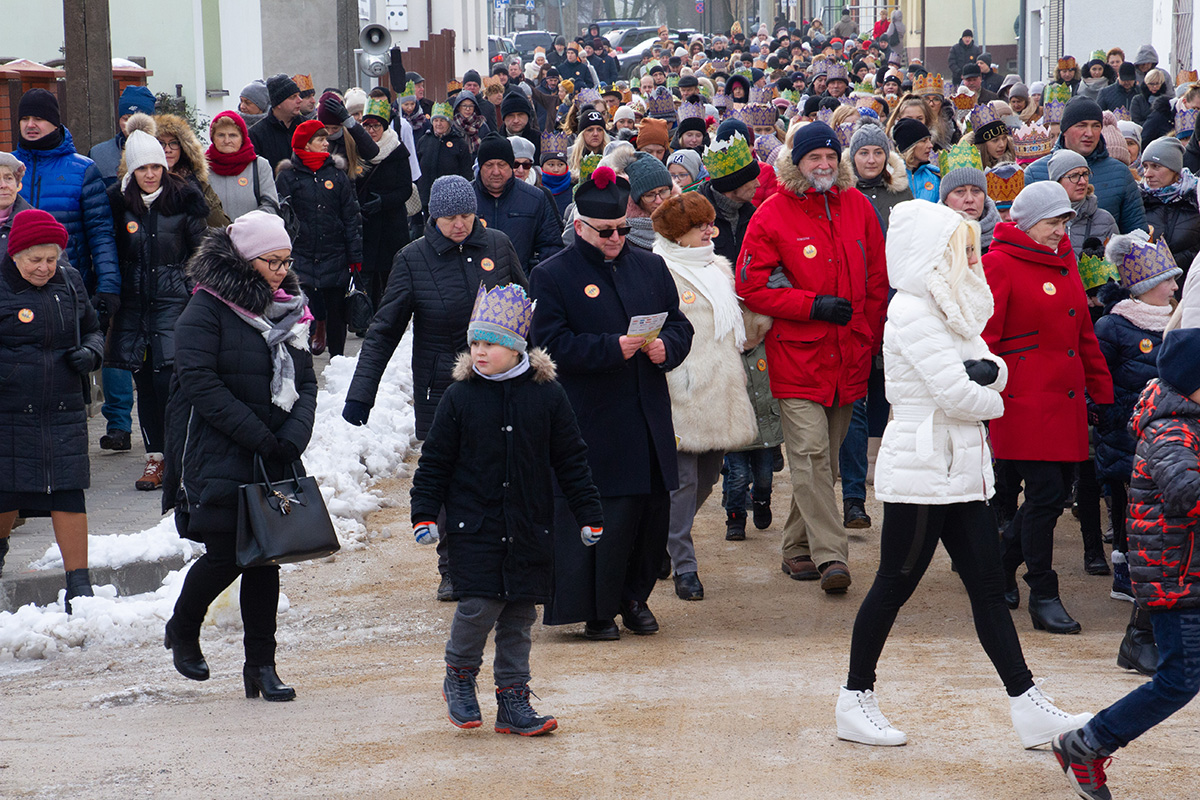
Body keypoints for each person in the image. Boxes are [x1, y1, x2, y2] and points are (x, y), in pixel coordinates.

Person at [835, 200, 1093, 749]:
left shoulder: (950, 306)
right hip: (923, 464)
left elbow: (992, 365)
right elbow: (958, 393)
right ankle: (855, 699)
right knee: (894, 583)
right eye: (964, 249)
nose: (973, 258)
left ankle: (1027, 703)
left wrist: (987, 378)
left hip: (961, 468)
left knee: (987, 587)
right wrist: (993, 396)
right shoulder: (912, 311)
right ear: (935, 253)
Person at [411, 283, 603, 735]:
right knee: (478, 605)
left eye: (491, 343)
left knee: (519, 614)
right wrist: (424, 512)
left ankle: (513, 698)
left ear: (516, 347)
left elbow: (571, 459)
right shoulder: (460, 397)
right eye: (475, 342)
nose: (479, 351)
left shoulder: (547, 395)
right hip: (474, 525)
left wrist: (588, 512)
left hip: (529, 523)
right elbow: (435, 461)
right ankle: (459, 675)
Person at [529, 166, 694, 640]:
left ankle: (634, 598)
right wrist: (608, 348)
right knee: (603, 517)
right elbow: (547, 344)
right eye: (605, 232)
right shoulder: (552, 274)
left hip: (646, 415)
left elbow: (679, 325)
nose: (616, 239)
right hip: (593, 419)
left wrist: (668, 348)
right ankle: (596, 609)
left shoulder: (650, 266)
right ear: (581, 226)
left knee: (650, 514)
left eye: (622, 229)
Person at [344, 175, 525, 601]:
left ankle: (507, 560)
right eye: (449, 218)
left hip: (500, 382)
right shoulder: (412, 259)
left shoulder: (498, 246)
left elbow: (525, 309)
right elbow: (384, 330)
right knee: (451, 478)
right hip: (441, 387)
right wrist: (361, 393)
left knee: (504, 472)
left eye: (466, 216)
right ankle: (453, 566)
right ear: (433, 217)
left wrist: (537, 371)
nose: (459, 225)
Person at [162, 210, 317, 701]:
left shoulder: (289, 308)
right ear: (246, 259)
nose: (281, 272)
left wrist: (293, 437)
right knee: (226, 554)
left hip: (274, 452)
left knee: (266, 559)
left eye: (287, 261)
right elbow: (198, 382)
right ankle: (183, 626)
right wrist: (259, 436)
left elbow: (306, 381)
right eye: (272, 262)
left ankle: (261, 667)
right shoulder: (207, 307)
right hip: (219, 452)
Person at [736, 122, 888, 593]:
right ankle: (832, 556)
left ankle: (795, 547)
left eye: (829, 157)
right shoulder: (771, 214)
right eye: (813, 158)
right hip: (797, 357)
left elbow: (877, 280)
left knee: (824, 463)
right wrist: (811, 305)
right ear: (796, 162)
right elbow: (750, 287)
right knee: (810, 453)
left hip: (849, 356)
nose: (823, 165)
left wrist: (870, 337)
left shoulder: (858, 206)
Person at [1052, 328, 1200, 800]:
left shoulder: (1189, 421)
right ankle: (1086, 744)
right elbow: (1187, 493)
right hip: (1177, 578)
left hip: (1186, 571)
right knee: (1178, 680)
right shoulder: (1171, 429)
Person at [982, 182, 1114, 634]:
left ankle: (1001, 564)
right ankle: (1043, 592)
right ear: (1026, 223)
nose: (1060, 230)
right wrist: (987, 395)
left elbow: (1084, 335)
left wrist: (1102, 391)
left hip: (1065, 400)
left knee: (1054, 495)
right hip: (1022, 401)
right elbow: (985, 341)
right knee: (1043, 494)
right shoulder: (998, 263)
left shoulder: (1064, 261)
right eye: (1052, 222)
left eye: (1064, 221)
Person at [650, 192, 757, 601]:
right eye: (700, 226)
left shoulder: (718, 267)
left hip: (722, 389)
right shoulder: (659, 269)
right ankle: (685, 565)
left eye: (710, 223)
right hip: (682, 389)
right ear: (678, 235)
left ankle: (660, 541)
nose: (710, 231)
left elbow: (735, 327)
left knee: (709, 477)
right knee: (683, 481)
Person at [0, 209, 103, 609]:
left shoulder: (70, 281)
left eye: (51, 259)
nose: (44, 268)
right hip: (10, 412)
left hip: (63, 409)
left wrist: (90, 353)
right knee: (6, 493)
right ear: (15, 255)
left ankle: (80, 584)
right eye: (35, 260)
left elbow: (93, 329)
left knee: (68, 493)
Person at [1094, 231, 1182, 678]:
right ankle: (1137, 625)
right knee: (1141, 524)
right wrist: (1111, 422)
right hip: (1129, 437)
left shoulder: (1181, 320)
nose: (1174, 287)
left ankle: (1148, 629)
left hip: (1171, 438)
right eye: (1167, 280)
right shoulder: (1113, 326)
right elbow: (1099, 380)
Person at [106, 117, 209, 491]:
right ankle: (156, 459)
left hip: (174, 305)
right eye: (142, 168)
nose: (150, 175)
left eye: (155, 167)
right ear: (131, 171)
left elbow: (202, 253)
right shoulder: (118, 204)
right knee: (146, 385)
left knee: (171, 383)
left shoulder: (184, 199)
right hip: (134, 309)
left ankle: (183, 456)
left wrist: (189, 289)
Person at [274, 120, 362, 358]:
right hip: (300, 254)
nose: (326, 144)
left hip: (335, 253)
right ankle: (302, 359)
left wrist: (355, 256)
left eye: (326, 139)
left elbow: (351, 216)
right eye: (320, 140)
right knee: (302, 310)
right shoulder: (288, 177)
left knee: (337, 312)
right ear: (306, 144)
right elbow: (281, 218)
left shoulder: (337, 174)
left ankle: (337, 360)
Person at [1024, 97, 1147, 234]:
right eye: (1081, 125)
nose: (1089, 133)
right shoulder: (1035, 173)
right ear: (1065, 130)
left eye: (1096, 126)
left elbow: (1137, 234)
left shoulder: (1120, 173)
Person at [354, 96, 412, 309]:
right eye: (366, 126)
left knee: (391, 278)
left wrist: (384, 202)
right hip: (366, 224)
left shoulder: (397, 150)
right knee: (366, 279)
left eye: (376, 126)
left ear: (384, 127)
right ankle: (365, 316)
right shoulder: (357, 150)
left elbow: (406, 189)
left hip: (391, 225)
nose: (371, 131)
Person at [473, 134, 561, 271]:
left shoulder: (535, 198)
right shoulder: (466, 197)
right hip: (477, 281)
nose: (496, 172)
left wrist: (535, 277)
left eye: (502, 165)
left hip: (521, 281)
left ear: (510, 166)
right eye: (489, 165)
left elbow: (551, 247)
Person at [154, 111, 230, 228]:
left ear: (183, 148)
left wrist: (199, 197)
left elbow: (221, 224)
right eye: (161, 143)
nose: (168, 150)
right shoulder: (142, 183)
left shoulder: (197, 183)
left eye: (174, 143)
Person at [1139, 137, 1200, 279]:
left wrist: (1173, 262)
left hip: (1190, 283)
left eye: (1156, 166)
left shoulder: (1195, 200)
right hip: (1150, 285)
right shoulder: (1139, 200)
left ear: (1174, 169)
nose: (1147, 174)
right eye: (1145, 166)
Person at [205, 111, 279, 220]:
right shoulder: (202, 168)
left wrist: (245, 225)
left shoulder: (259, 166)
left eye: (233, 135)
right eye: (221, 135)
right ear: (213, 138)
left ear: (242, 138)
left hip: (252, 230)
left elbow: (271, 206)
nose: (227, 140)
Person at [89, 85, 157, 187]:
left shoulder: (166, 151)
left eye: (138, 119)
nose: (132, 124)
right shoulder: (99, 154)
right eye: (126, 118)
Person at [416, 101, 473, 213]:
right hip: (426, 198)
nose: (438, 124)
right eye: (436, 120)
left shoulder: (459, 143)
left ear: (449, 122)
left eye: (442, 120)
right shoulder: (424, 141)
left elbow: (466, 172)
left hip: (451, 200)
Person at [249, 74, 305, 170]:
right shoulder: (257, 134)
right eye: (293, 97)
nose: (300, 100)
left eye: (298, 95)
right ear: (278, 103)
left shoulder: (308, 127)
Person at [892, 117, 940, 202]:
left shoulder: (935, 177)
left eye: (929, 140)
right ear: (909, 146)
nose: (930, 145)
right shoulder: (891, 176)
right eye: (924, 141)